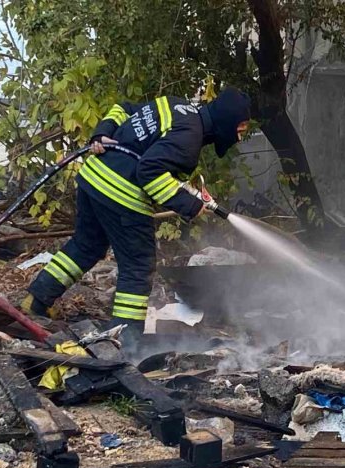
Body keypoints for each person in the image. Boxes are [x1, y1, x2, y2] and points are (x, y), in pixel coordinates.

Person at [23, 88, 250, 345]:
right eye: (240, 130)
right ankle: (125, 336)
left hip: (93, 179)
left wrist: (102, 131)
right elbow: (149, 172)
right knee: (138, 265)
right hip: (122, 194)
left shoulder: (175, 105)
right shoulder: (190, 138)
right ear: (227, 122)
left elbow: (124, 109)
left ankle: (37, 299)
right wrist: (188, 205)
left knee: (85, 246)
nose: (239, 139)